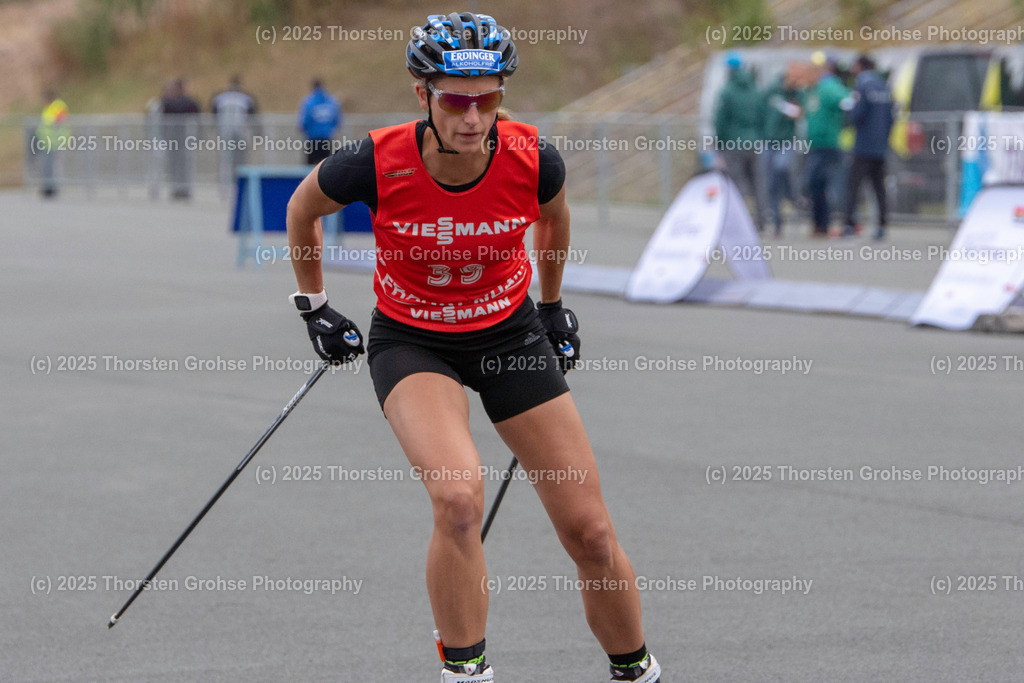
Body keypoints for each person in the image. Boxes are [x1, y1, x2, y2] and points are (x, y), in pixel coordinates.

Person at [285, 12, 661, 683]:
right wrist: (313, 306)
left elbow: (554, 221)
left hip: (508, 333)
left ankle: (637, 670)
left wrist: (551, 306)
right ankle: (466, 670)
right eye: (456, 100)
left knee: (591, 532)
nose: (472, 117)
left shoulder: (533, 157)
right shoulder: (374, 159)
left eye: (487, 99)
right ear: (421, 92)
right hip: (413, 340)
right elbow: (302, 211)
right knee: (459, 499)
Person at [841, 55, 894, 240]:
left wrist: (848, 112)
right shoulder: (884, 86)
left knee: (853, 187)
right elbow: (891, 116)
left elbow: (857, 114)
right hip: (880, 146)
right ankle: (881, 226)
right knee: (879, 188)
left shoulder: (862, 86)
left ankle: (848, 225)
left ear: (861, 66)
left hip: (863, 146)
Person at [714, 51, 767, 232]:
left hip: (733, 144)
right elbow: (762, 116)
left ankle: (738, 222)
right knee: (757, 182)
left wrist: (719, 143)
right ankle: (761, 220)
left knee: (735, 184)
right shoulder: (754, 89)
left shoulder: (727, 91)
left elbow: (720, 121)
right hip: (753, 143)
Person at [803, 53, 849, 236]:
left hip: (828, 144)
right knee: (817, 185)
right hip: (817, 144)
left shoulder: (829, 86)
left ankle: (832, 223)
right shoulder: (814, 88)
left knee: (824, 184)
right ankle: (820, 224)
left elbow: (848, 101)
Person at [760, 64, 805, 237]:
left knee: (782, 168)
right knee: (771, 182)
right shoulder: (771, 91)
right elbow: (760, 112)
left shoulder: (797, 94)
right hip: (769, 142)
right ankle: (777, 220)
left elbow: (801, 112)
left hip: (786, 142)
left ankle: (792, 196)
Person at [210, 75, 259, 191]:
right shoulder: (246, 98)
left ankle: (225, 184)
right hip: (240, 131)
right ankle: (238, 182)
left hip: (226, 131)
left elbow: (214, 114)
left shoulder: (221, 98)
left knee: (225, 159)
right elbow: (253, 117)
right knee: (240, 159)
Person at [161, 78, 201, 200]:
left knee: (181, 164)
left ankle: (181, 188)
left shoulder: (168, 103)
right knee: (179, 164)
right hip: (178, 139)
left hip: (182, 139)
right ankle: (179, 187)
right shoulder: (187, 103)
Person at [297, 78, 341, 165]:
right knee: (326, 167)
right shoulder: (331, 101)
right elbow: (337, 120)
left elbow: (304, 122)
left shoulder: (308, 101)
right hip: (326, 139)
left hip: (312, 140)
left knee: (309, 168)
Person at [37, 88, 69, 198]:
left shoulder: (58, 106)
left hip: (57, 141)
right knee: (47, 166)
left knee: (55, 166)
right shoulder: (48, 107)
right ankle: (48, 186)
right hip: (47, 142)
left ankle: (54, 187)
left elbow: (60, 120)